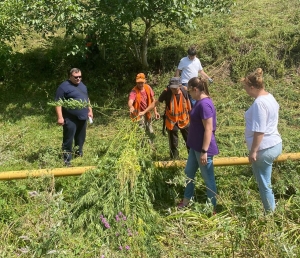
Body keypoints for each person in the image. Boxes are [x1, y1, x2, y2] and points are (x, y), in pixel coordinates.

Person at [241, 68, 282, 213]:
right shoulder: (269, 97)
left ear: (252, 87)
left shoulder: (259, 103)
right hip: (275, 143)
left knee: (264, 183)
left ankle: (270, 215)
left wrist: (253, 151)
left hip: (264, 148)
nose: (245, 90)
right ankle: (272, 209)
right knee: (267, 181)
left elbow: (260, 130)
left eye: (246, 87)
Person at [178, 77, 219, 211]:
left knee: (208, 179)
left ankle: (212, 208)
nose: (190, 94)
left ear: (195, 90)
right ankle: (186, 201)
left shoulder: (204, 104)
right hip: (195, 146)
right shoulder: (199, 102)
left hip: (202, 149)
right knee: (188, 173)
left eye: (190, 92)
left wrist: (204, 151)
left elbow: (209, 129)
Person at [139, 77, 191, 159]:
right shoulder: (167, 92)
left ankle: (193, 160)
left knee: (189, 141)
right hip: (171, 122)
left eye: (175, 88)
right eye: (172, 88)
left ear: (180, 86)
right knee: (173, 144)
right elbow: (155, 103)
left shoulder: (184, 91)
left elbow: (189, 106)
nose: (173, 90)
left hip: (184, 120)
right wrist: (144, 111)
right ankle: (175, 162)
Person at [55, 68, 93, 167]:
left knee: (81, 138)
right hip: (70, 118)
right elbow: (58, 102)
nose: (78, 79)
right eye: (76, 77)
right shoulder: (63, 87)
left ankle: (78, 154)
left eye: (80, 76)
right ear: (70, 76)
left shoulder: (82, 85)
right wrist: (60, 117)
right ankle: (67, 160)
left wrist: (90, 110)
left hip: (82, 117)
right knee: (68, 139)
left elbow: (86, 98)